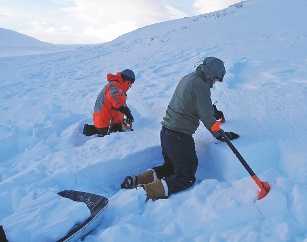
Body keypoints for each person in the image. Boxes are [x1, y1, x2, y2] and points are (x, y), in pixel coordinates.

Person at [121, 57, 239, 200]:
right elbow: (207, 117)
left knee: (170, 168)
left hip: (166, 133)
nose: (214, 83)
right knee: (186, 177)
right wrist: (220, 134)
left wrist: (213, 110)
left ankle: (137, 180)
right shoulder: (201, 86)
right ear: (210, 74)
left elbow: (192, 102)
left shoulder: (189, 78)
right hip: (179, 137)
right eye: (215, 79)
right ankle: (142, 193)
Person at [83, 69, 135, 137]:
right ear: (126, 81)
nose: (129, 86)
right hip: (105, 123)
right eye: (129, 84)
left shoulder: (118, 87)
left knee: (123, 124)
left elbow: (121, 104)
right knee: (122, 134)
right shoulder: (114, 87)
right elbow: (117, 103)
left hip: (107, 120)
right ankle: (94, 130)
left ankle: (94, 129)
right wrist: (127, 113)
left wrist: (127, 112)